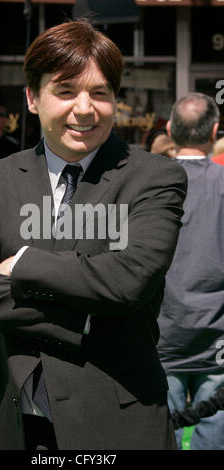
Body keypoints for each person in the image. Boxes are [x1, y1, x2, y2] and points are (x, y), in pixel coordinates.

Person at [0, 19, 187, 450]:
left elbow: (127, 282)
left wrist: (21, 265)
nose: (84, 107)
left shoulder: (155, 177)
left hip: (115, 419)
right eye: (65, 91)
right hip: (8, 418)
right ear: (32, 99)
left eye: (99, 92)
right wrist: (85, 313)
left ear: (115, 98)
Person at [158, 92, 224, 450]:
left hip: (161, 333)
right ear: (214, 130)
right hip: (217, 339)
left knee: (156, 434)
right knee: (213, 436)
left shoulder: (149, 185)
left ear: (169, 129)